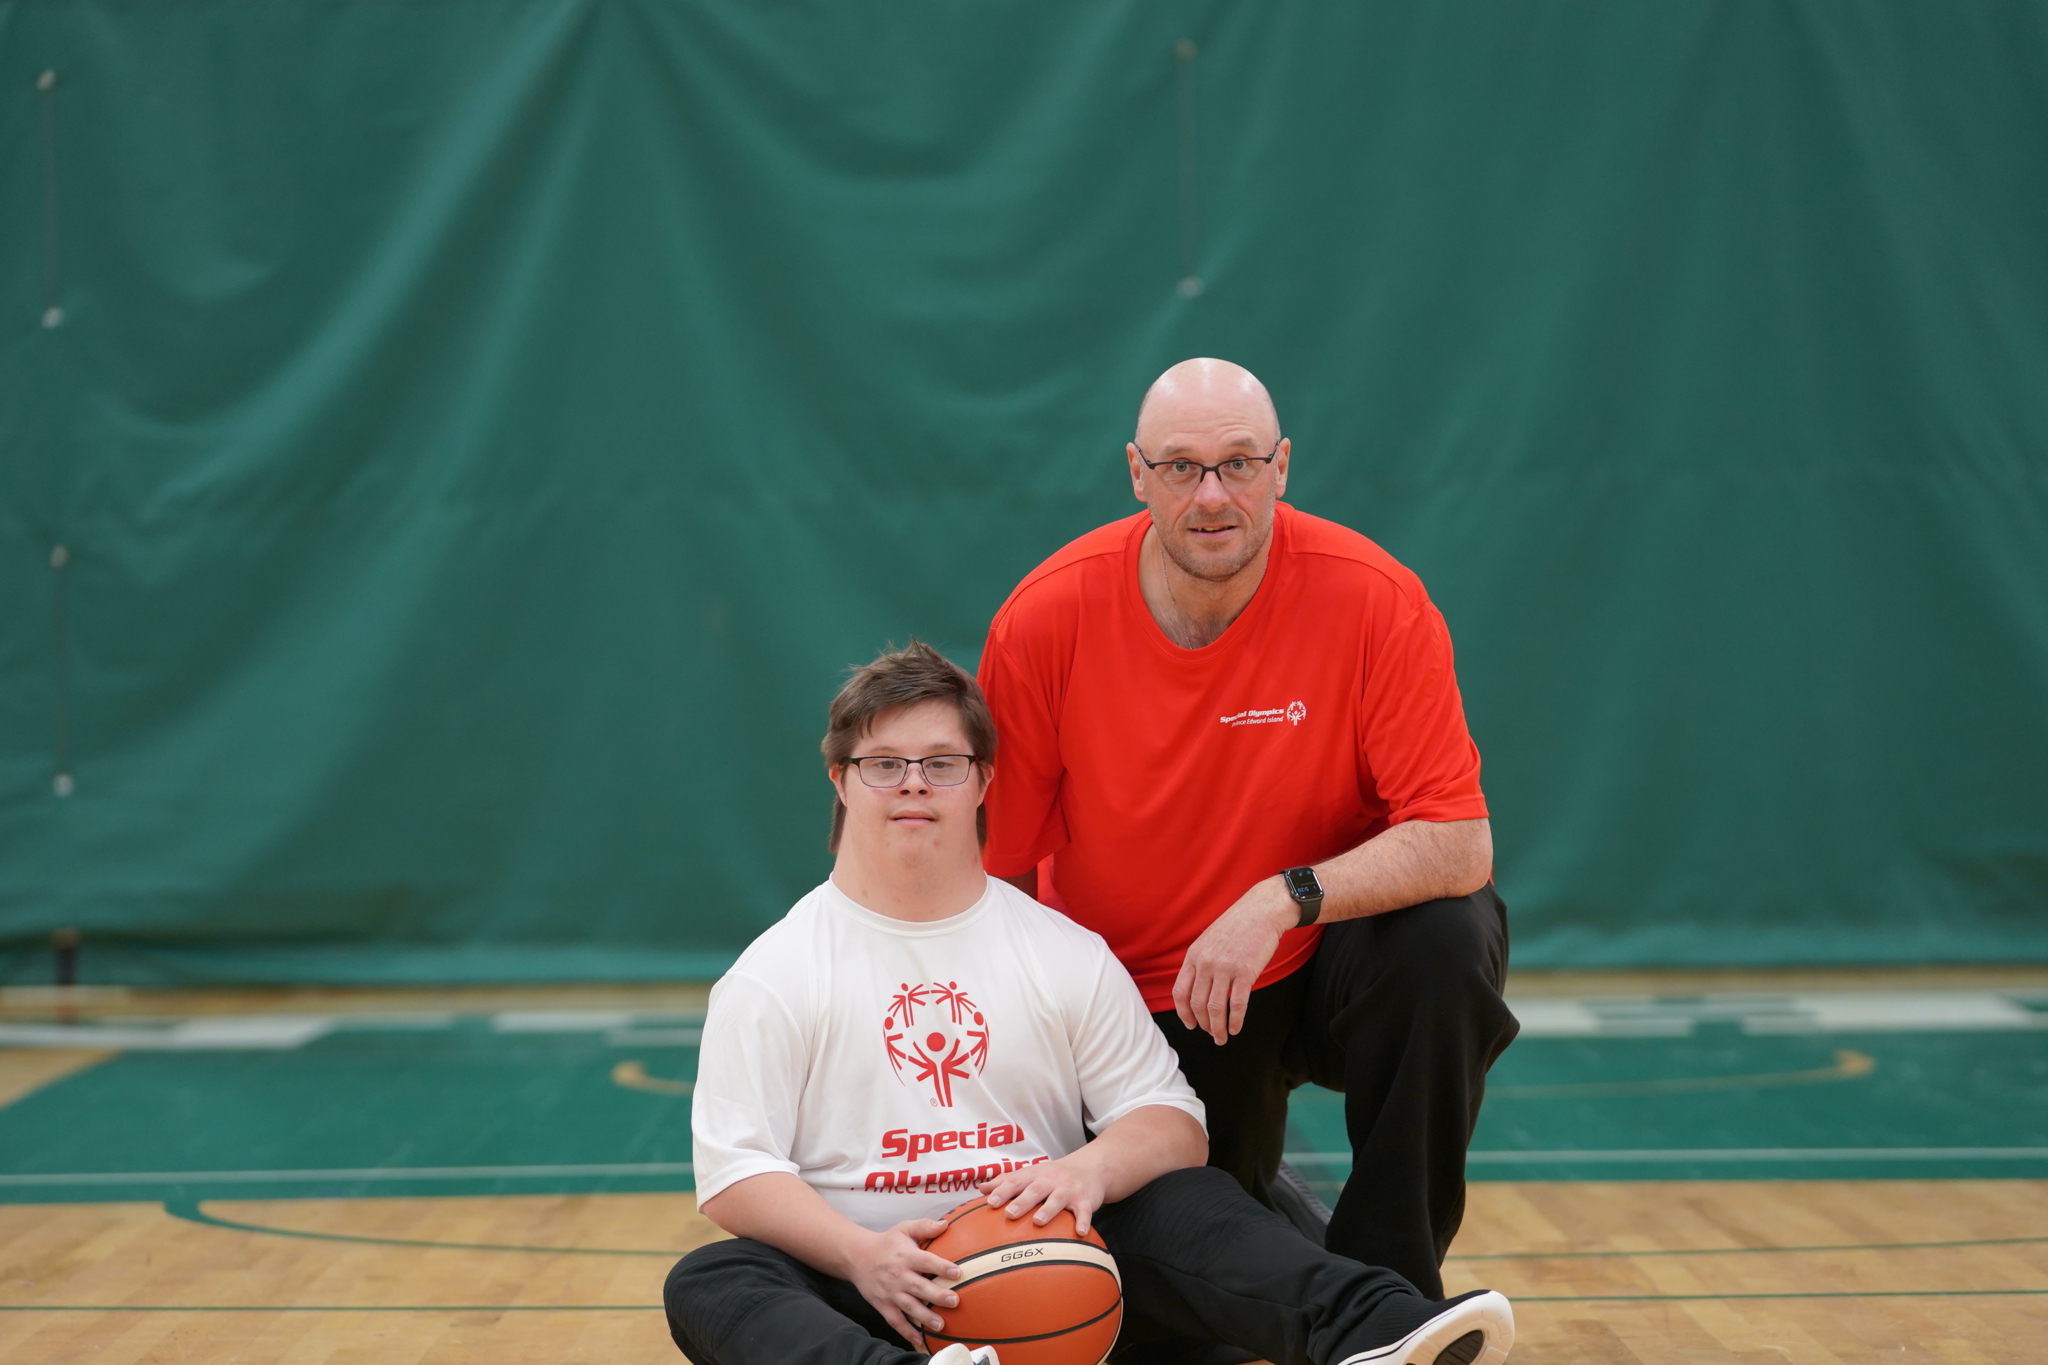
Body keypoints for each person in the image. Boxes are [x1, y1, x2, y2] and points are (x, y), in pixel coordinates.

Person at [664, 642, 1515, 1365]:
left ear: (983, 780)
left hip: (1059, 1269)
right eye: (884, 764)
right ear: (841, 780)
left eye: (941, 763)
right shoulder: (776, 970)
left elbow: (1171, 1121)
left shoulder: (1059, 949)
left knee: (1189, 1199)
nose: (913, 785)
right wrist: (860, 1254)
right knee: (714, 1279)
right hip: (871, 1286)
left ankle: (1379, 1328)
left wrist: (1085, 1171)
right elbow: (736, 1174)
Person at [976, 359, 1519, 1298]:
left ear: (1282, 467)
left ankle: (1392, 1294)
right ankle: (1294, 1239)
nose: (1212, 496)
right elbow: (1000, 876)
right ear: (1137, 474)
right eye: (1181, 467)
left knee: (1445, 937)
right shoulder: (1047, 617)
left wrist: (1282, 898)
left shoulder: (1373, 597)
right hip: (1155, 996)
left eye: (1238, 463)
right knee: (1185, 1303)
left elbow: (1459, 840)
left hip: (1320, 958)